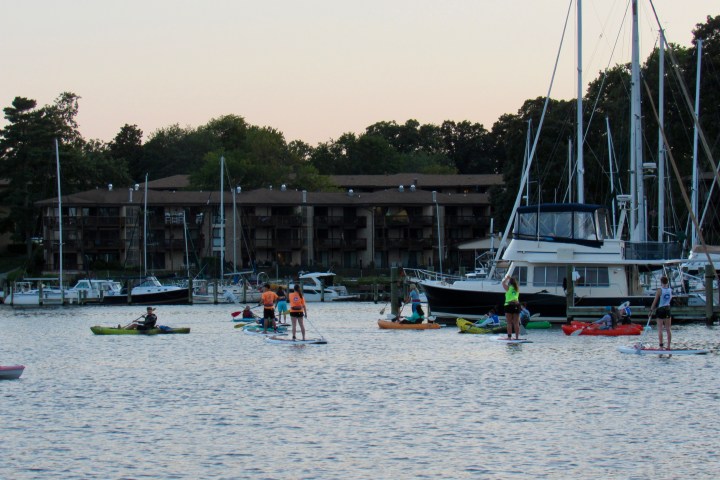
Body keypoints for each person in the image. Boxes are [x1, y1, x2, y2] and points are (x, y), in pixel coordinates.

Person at [650, 276, 673, 349]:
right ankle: (669, 346)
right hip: (667, 309)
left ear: (661, 282)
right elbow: (670, 299)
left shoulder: (659, 290)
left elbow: (655, 301)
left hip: (660, 309)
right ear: (667, 282)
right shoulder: (670, 290)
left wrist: (651, 310)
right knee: (668, 329)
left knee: (660, 328)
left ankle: (661, 346)